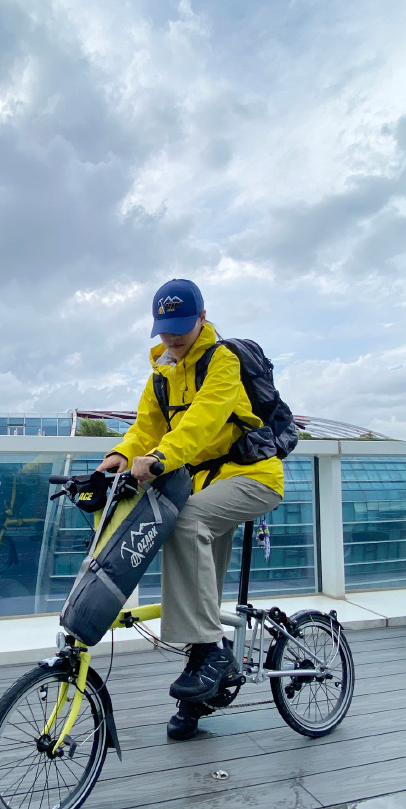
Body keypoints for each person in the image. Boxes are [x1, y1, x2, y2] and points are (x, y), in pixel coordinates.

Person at [97, 279, 284, 740]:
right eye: (165, 329)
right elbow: (146, 427)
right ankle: (200, 694)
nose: (174, 338)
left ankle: (211, 652)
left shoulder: (224, 362)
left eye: (182, 327)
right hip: (203, 487)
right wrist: (120, 455)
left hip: (253, 477)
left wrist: (160, 458)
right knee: (200, 593)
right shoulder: (161, 372)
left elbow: (202, 424)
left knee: (185, 524)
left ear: (202, 318)